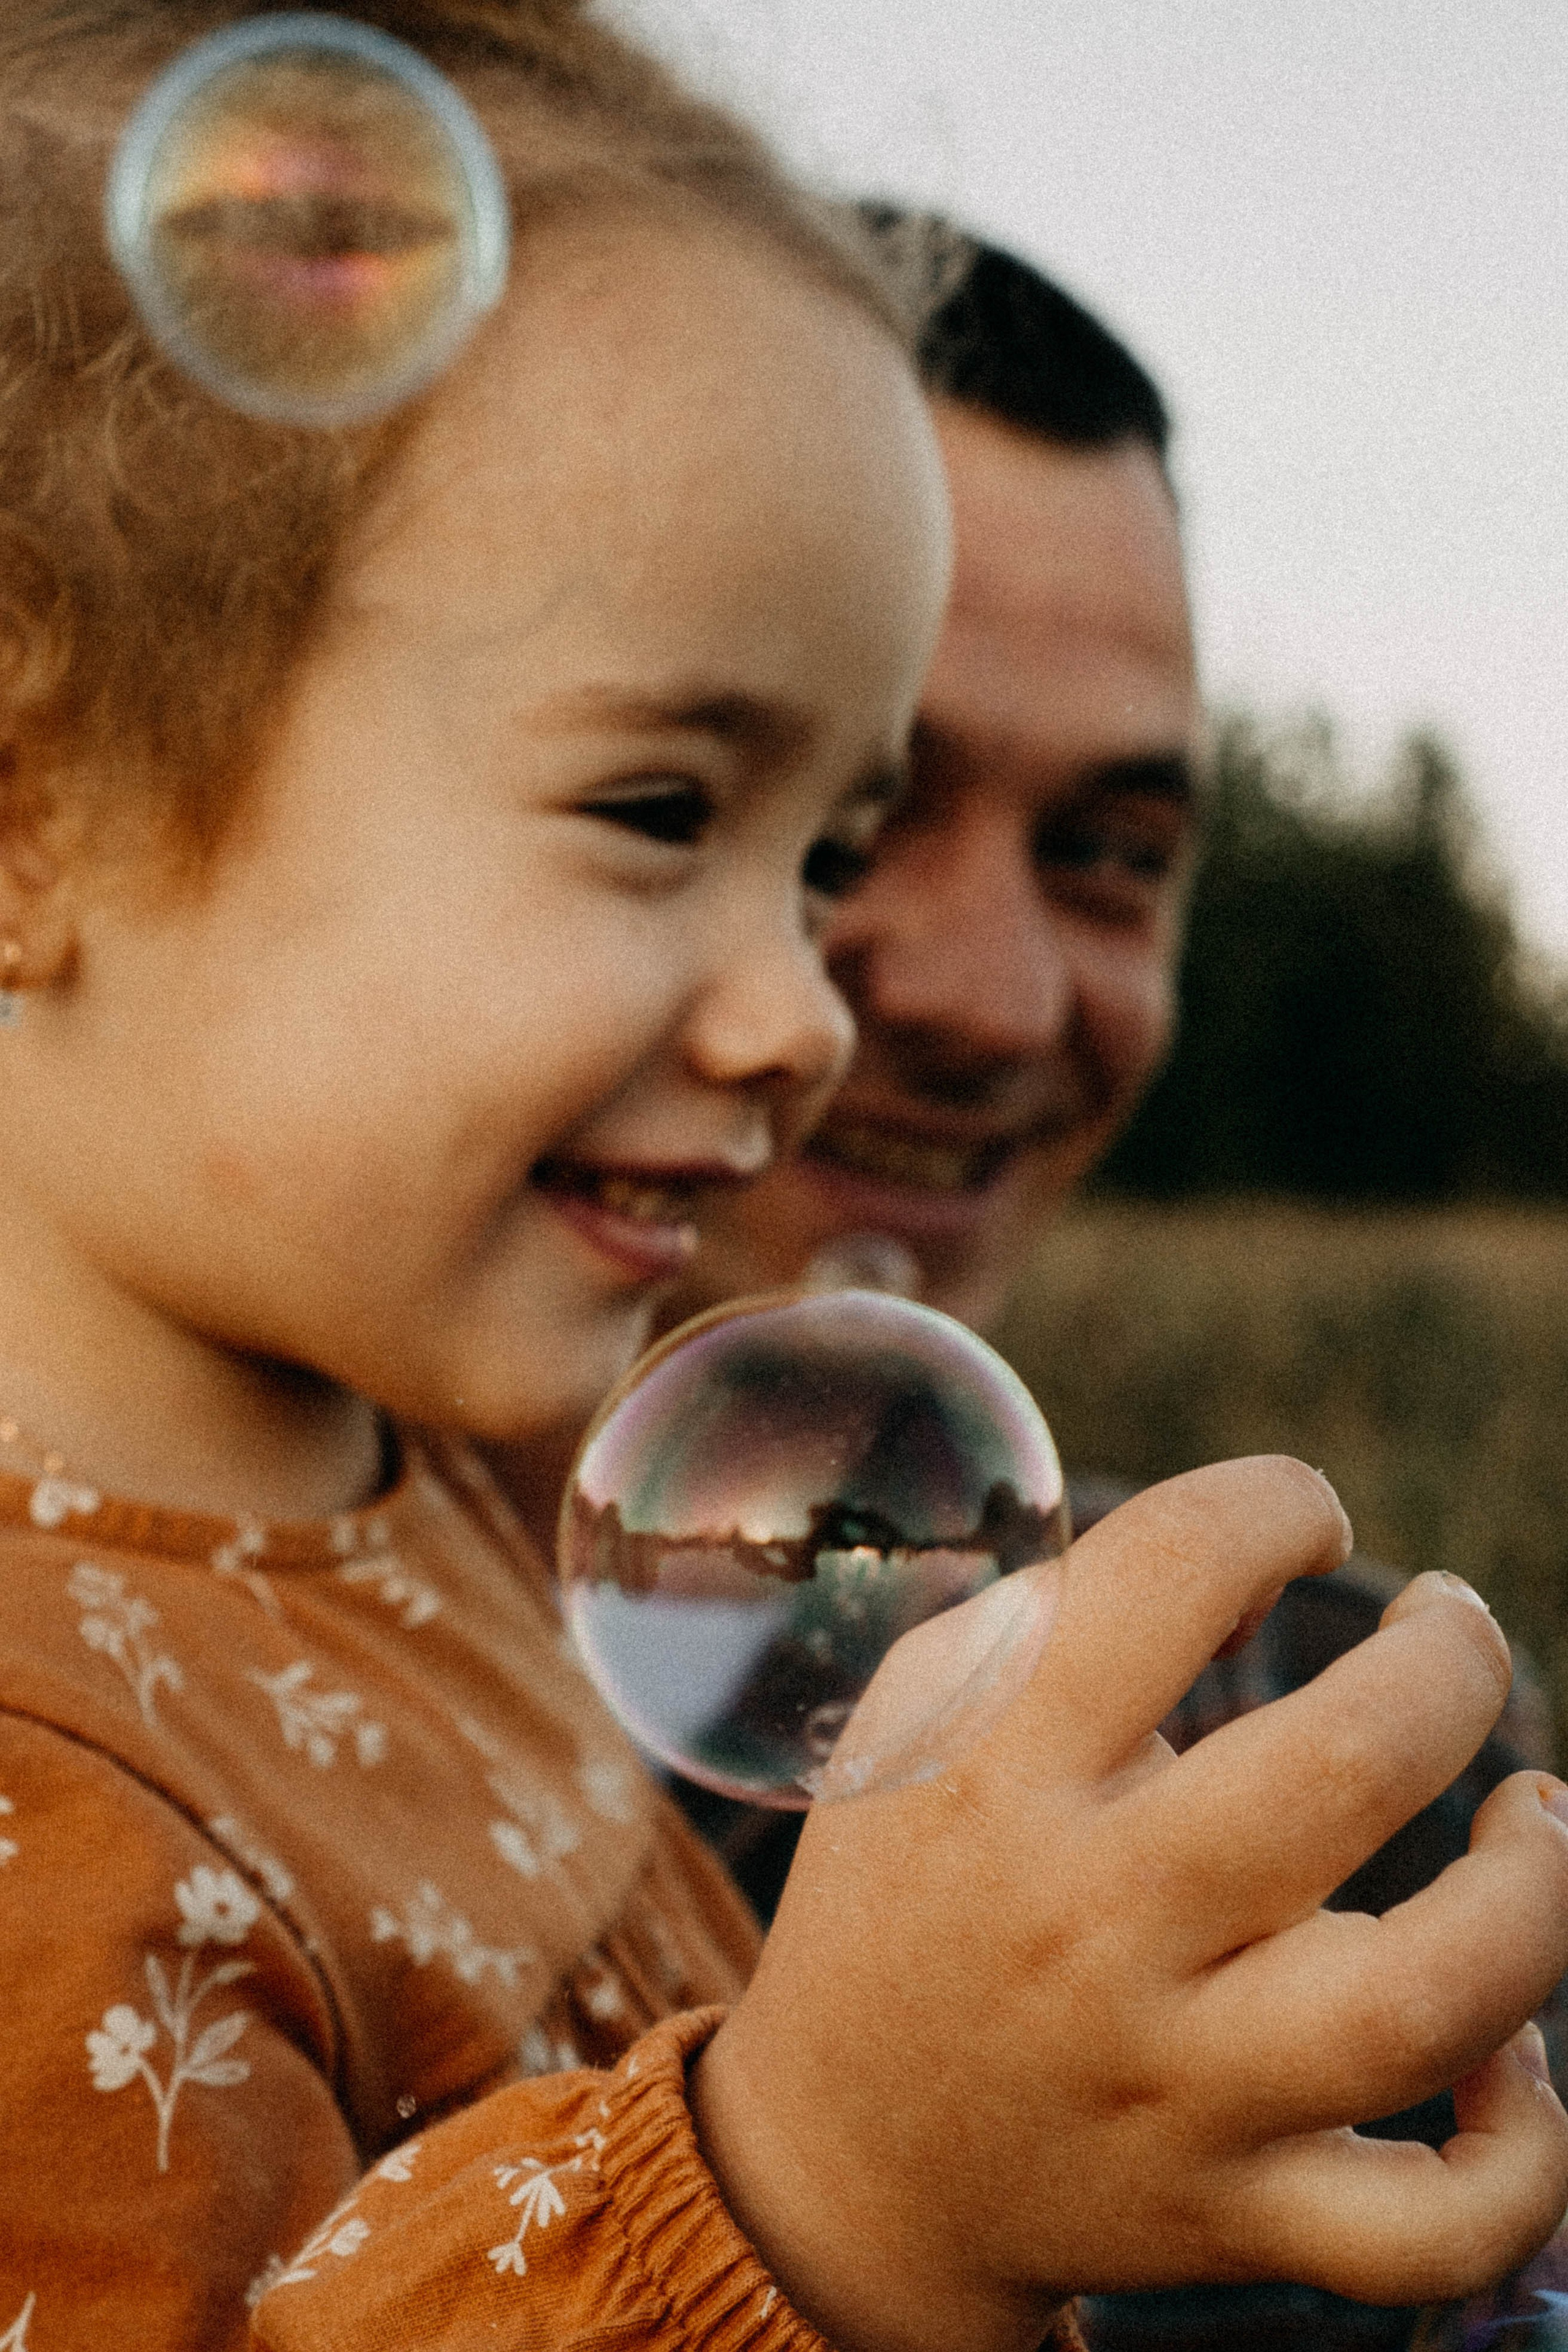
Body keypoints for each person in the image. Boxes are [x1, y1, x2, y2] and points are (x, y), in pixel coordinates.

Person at [0, 17, 1564, 2349]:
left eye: (812, 844)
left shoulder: (411, 1501)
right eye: (661, 810)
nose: (821, 1001)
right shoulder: (54, 1805)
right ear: (39, 806)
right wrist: (829, 2184)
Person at [637, 224, 1567, 2350]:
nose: (997, 997)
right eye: (855, 815)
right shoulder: (165, 1733)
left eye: (1114, 853)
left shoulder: (1332, 1747)